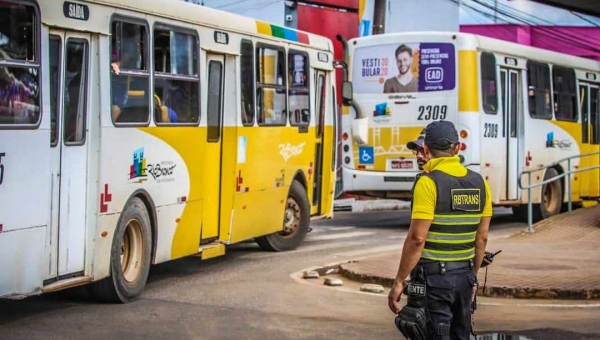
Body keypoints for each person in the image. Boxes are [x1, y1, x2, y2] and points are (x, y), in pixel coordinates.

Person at [388, 120, 493, 340]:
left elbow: (417, 239)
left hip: (435, 282)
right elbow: (481, 238)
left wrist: (399, 280)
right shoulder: (480, 183)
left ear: (426, 148)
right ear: (457, 148)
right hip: (465, 277)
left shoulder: (428, 183)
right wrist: (472, 277)